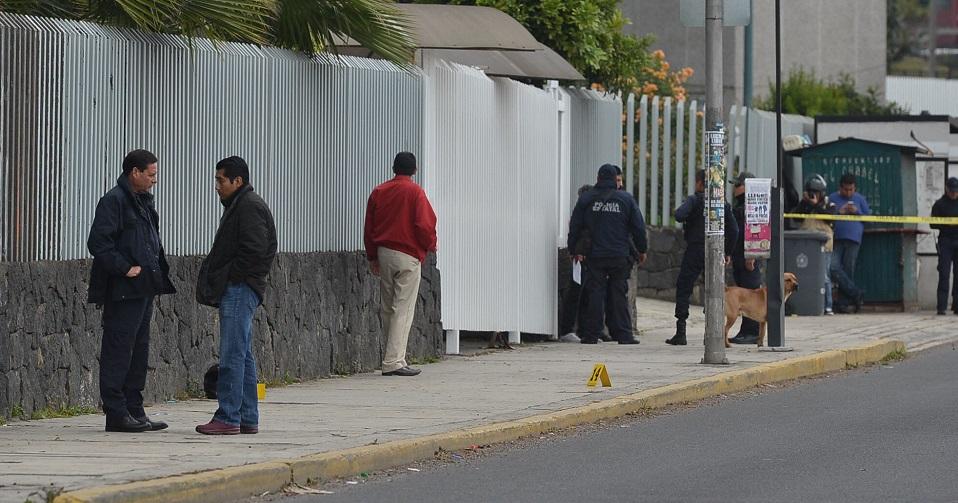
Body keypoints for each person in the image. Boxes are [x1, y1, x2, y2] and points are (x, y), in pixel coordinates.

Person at [87, 149, 176, 433]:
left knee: (139, 350)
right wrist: (125, 268)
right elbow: (99, 243)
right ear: (134, 173)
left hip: (144, 288)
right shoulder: (114, 201)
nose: (154, 180)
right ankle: (116, 412)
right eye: (151, 174)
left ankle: (134, 409)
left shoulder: (142, 202)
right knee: (118, 350)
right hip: (123, 289)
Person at [196, 156, 277, 435]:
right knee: (243, 353)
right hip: (241, 285)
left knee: (232, 352)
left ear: (237, 181)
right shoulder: (241, 204)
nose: (216, 186)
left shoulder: (249, 207)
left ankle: (228, 415)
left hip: (241, 287)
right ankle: (247, 416)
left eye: (221, 180)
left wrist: (234, 277)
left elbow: (255, 250)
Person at [364, 152, 437, 376]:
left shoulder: (379, 191)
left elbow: (369, 225)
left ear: (393, 167)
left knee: (387, 308)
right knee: (402, 309)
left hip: (384, 253)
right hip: (407, 255)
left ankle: (391, 356)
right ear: (415, 170)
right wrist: (430, 246)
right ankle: (394, 361)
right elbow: (425, 225)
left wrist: (373, 256)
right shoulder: (416, 192)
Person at [568, 164, 647, 345]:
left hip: (594, 255)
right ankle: (624, 334)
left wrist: (573, 249)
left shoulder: (587, 199)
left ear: (598, 179)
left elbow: (575, 226)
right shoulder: (625, 200)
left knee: (595, 292)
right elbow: (638, 228)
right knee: (618, 293)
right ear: (615, 180)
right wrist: (642, 250)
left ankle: (591, 334)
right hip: (619, 255)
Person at [666, 169, 738, 346]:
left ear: (699, 183)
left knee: (684, 287)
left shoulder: (695, 199)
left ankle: (681, 332)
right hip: (716, 250)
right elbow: (734, 230)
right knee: (714, 290)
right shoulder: (722, 203)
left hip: (695, 249)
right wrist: (727, 252)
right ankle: (712, 333)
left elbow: (679, 215)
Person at [791, 175, 837, 315]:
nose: (813, 195)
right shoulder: (805, 204)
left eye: (816, 192)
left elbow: (829, 217)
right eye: (811, 192)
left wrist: (815, 204)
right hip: (806, 246)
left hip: (824, 246)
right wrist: (805, 203)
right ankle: (808, 302)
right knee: (806, 274)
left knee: (824, 276)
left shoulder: (829, 204)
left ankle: (827, 306)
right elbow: (796, 217)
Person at [728, 171, 763, 344]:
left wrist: (752, 256)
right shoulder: (740, 206)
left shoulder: (753, 205)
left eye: (737, 185)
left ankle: (752, 332)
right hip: (739, 256)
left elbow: (755, 233)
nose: (734, 189)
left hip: (748, 257)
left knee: (751, 295)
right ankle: (745, 330)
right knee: (744, 294)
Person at [558, 184, 595, 343]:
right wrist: (577, 252)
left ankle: (582, 330)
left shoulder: (583, 214)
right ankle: (568, 329)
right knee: (576, 294)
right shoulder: (583, 215)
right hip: (580, 258)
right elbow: (577, 234)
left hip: (585, 257)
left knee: (585, 295)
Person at [829, 173, 868, 313]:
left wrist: (857, 212)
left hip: (854, 239)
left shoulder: (860, 199)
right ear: (840, 188)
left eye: (851, 189)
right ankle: (856, 293)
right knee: (832, 267)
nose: (849, 192)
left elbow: (868, 218)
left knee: (848, 270)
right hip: (836, 239)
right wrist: (840, 212)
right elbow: (827, 216)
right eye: (846, 189)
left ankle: (844, 304)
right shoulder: (833, 198)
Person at [931, 177, 958, 315]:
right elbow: (932, 223)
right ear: (947, 189)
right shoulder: (939, 204)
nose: (954, 193)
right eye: (952, 190)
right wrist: (946, 224)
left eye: (956, 191)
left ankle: (957, 305)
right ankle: (941, 307)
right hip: (945, 241)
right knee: (944, 274)